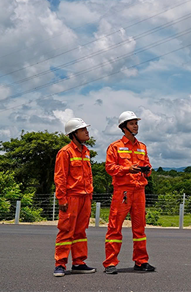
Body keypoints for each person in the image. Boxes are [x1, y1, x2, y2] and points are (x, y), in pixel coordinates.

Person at [103, 111, 155, 274]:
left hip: (139, 191)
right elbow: (109, 167)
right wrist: (127, 169)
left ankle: (141, 261)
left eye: (136, 123)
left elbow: (148, 166)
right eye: (132, 123)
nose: (136, 126)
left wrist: (147, 171)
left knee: (140, 228)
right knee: (115, 227)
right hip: (123, 191)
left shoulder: (142, 147)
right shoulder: (115, 147)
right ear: (124, 127)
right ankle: (110, 263)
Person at [53, 118, 96, 277]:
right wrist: (61, 199)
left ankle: (79, 262)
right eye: (83, 129)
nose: (87, 131)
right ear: (74, 134)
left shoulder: (86, 151)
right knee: (66, 231)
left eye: (86, 128)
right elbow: (60, 178)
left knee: (80, 232)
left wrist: (90, 194)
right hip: (71, 198)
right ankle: (60, 264)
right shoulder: (65, 152)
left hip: (85, 197)